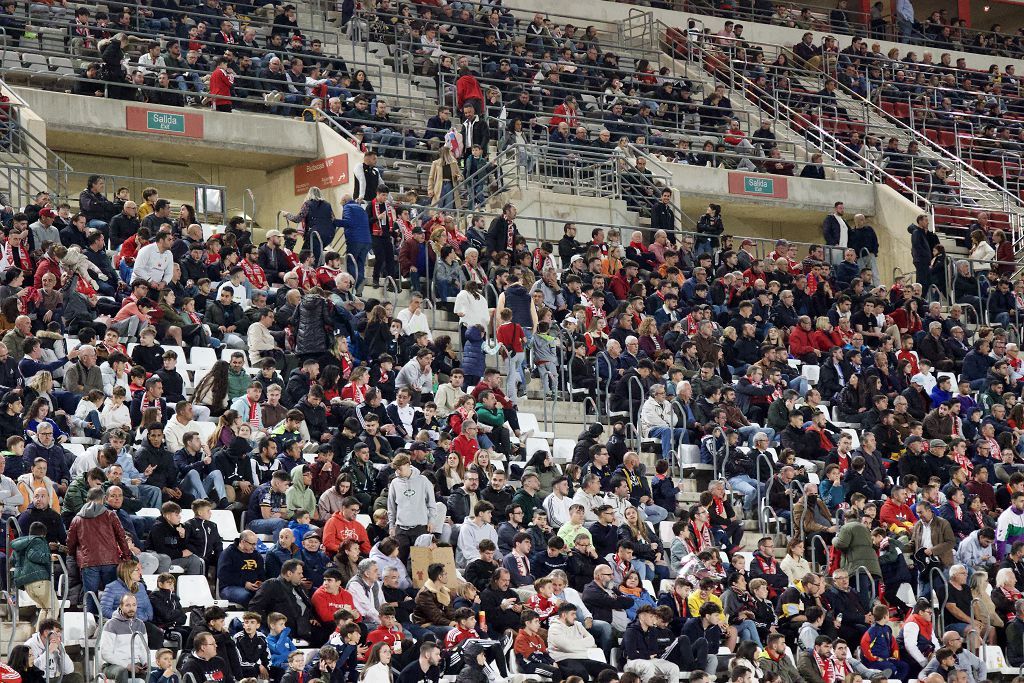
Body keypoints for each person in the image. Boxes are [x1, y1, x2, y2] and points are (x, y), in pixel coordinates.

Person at [98, 593, 149, 683]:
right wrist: (127, 665)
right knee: (122, 671)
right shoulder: (111, 624)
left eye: (134, 605)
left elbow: (143, 649)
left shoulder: (140, 624)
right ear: (121, 606)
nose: (131, 608)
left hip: (135, 665)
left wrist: (145, 663)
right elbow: (105, 654)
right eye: (127, 605)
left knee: (154, 672)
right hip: (113, 666)